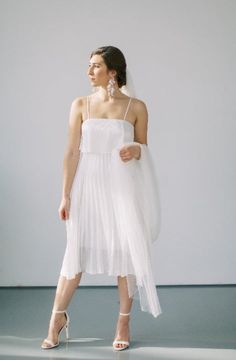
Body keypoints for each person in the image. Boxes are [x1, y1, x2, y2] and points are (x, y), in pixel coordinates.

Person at [41, 46, 162, 352]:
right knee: (75, 254)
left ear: (113, 72)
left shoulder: (136, 107)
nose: (89, 71)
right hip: (88, 186)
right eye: (89, 65)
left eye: (96, 66)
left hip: (122, 188)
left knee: (125, 253)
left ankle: (123, 321)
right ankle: (56, 319)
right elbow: (70, 152)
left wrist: (134, 150)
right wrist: (64, 195)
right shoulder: (81, 104)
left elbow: (144, 149)